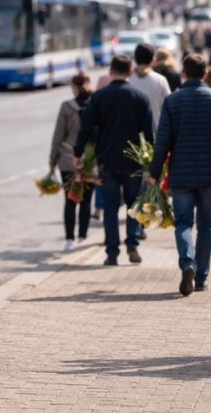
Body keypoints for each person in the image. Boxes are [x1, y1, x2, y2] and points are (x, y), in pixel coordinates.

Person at [150, 54, 211, 296]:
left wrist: (154, 172)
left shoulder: (172, 101)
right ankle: (201, 277)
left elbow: (162, 140)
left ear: (184, 73)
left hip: (181, 174)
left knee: (183, 223)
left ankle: (187, 263)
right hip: (210, 174)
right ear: (205, 73)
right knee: (205, 226)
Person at [75, 55, 154, 266]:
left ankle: (112, 252)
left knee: (109, 207)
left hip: (107, 159)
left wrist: (78, 153)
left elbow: (86, 128)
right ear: (130, 72)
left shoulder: (99, 97)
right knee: (133, 204)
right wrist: (153, 161)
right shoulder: (140, 97)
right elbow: (150, 134)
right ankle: (132, 244)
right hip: (133, 160)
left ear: (111, 70)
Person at [50, 71, 94, 252]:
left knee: (70, 200)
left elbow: (58, 136)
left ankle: (69, 238)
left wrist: (52, 161)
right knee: (86, 200)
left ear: (74, 87)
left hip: (68, 160)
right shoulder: (96, 105)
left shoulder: (67, 107)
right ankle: (83, 235)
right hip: (91, 160)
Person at [128, 43, 171, 129]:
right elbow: (169, 108)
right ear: (153, 60)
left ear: (135, 58)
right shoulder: (161, 80)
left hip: (131, 133)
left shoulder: (127, 80)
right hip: (156, 131)